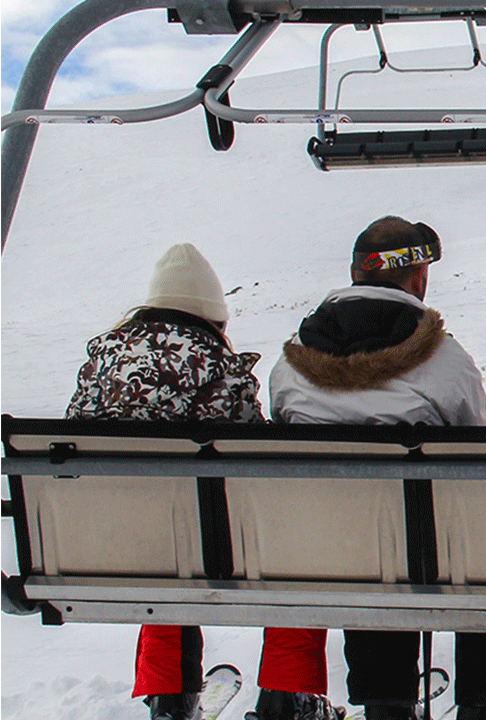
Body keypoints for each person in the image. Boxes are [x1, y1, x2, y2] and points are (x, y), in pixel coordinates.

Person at [269, 216, 486, 720]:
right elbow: (481, 452)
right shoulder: (445, 362)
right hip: (430, 550)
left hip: (330, 552)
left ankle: (386, 705)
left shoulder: (291, 368)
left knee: (366, 541)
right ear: (419, 280)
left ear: (354, 274)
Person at [65, 243, 340, 720]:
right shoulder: (217, 368)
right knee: (297, 547)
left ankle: (169, 701)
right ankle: (287, 695)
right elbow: (259, 465)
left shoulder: (99, 364)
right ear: (214, 319)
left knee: (166, 548)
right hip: (213, 547)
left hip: (107, 547)